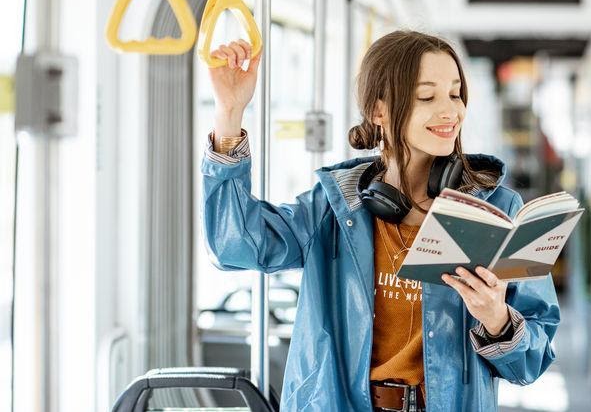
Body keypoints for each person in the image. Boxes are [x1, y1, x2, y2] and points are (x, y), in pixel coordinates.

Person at [202, 30, 560, 411]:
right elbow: (233, 244)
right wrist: (229, 115)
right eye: (427, 96)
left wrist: (497, 319)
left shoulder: (497, 210)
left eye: (455, 94)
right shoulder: (333, 208)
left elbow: (532, 362)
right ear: (379, 111)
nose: (450, 111)